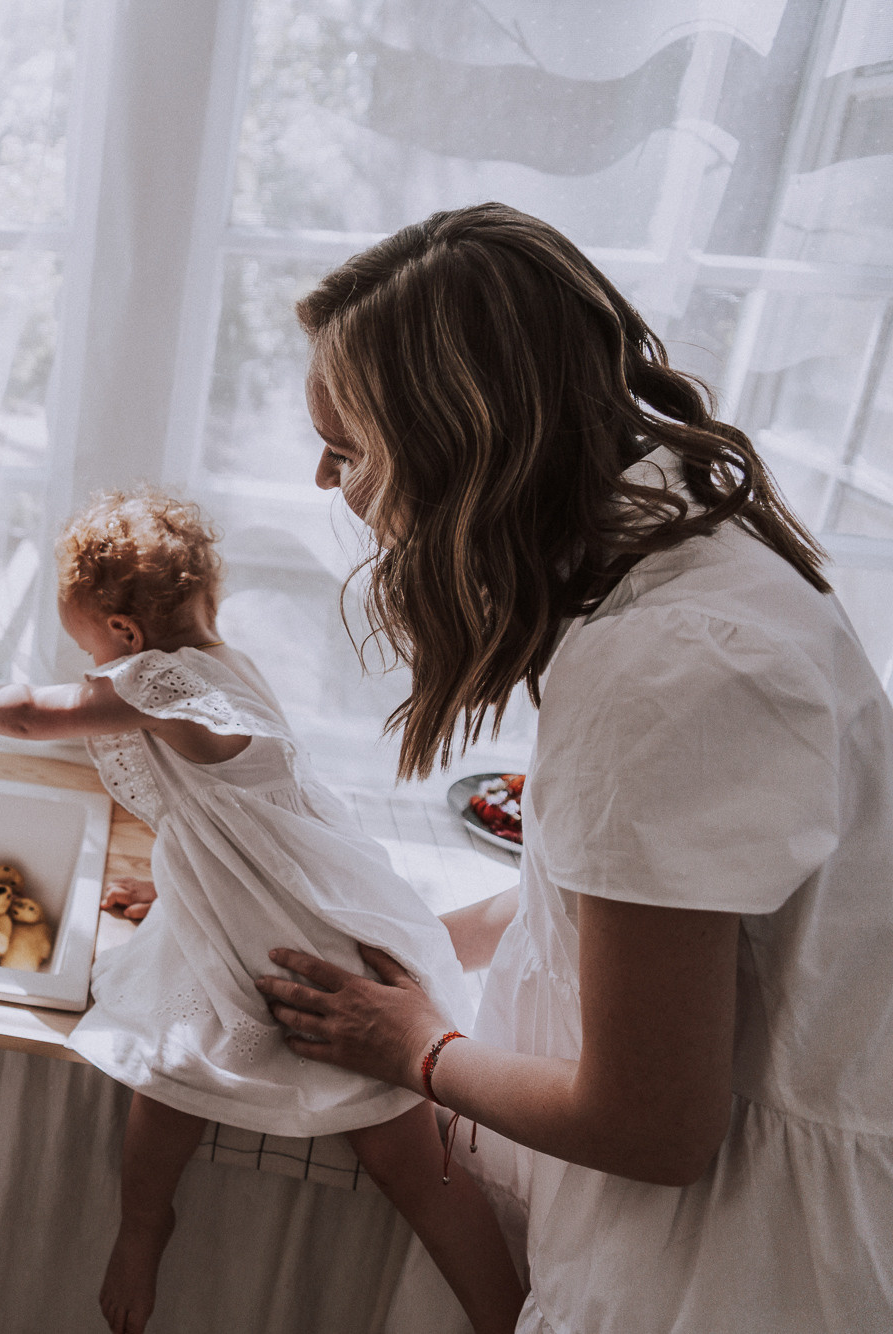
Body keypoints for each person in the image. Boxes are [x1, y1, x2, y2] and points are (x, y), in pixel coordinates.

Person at [252, 202, 893, 1332]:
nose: (321, 480)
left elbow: (650, 1123)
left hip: (742, 1272)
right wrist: (432, 938)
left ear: (460, 446)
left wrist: (411, 1043)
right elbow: (628, 895)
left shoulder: (667, 668)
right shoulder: (674, 559)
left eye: (347, 449)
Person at [0, 489, 525, 1334]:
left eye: (89, 646)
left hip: (289, 938)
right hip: (294, 899)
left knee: (167, 1065)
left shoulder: (157, 684)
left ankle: (141, 1226)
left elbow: (30, 713)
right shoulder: (226, 667)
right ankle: (508, 1313)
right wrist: (181, 884)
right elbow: (245, 824)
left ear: (127, 637)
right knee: (408, 1163)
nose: (91, 668)